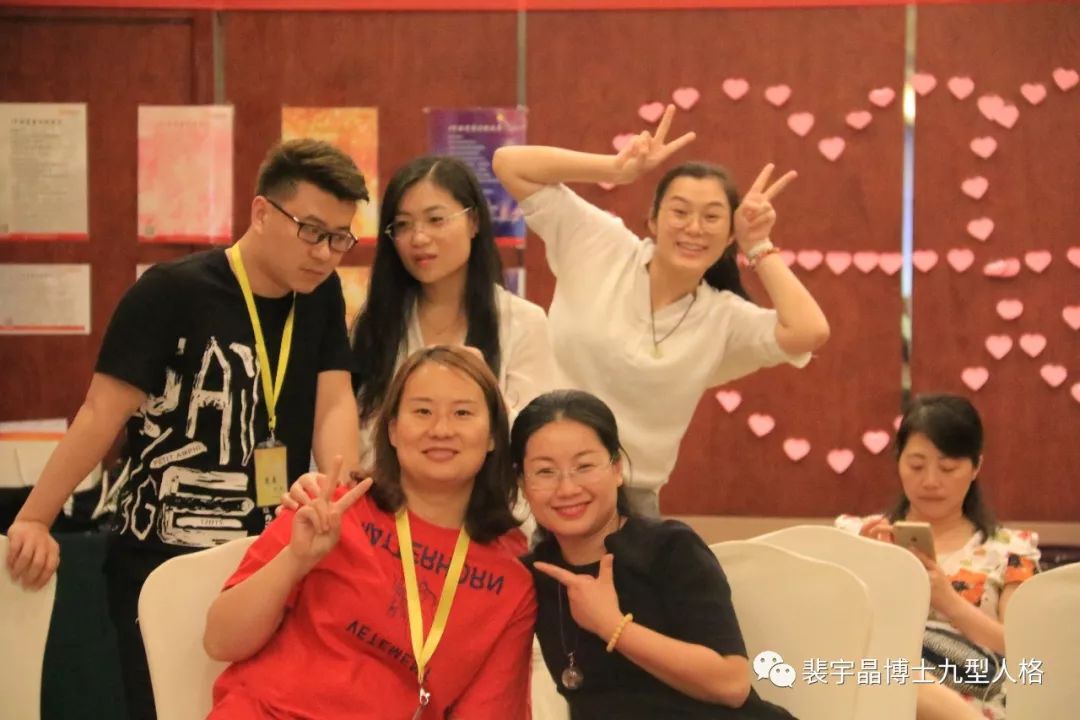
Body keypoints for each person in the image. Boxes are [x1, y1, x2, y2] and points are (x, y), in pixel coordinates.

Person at [5, 138, 368, 719]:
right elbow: (101, 412)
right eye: (311, 231)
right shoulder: (171, 291)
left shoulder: (319, 296)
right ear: (261, 212)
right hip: (161, 559)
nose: (325, 254)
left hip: (265, 561)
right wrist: (35, 517)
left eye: (340, 238)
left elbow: (334, 402)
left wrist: (337, 492)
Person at [492, 105, 829, 516]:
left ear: (729, 237)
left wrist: (758, 243)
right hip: (535, 481)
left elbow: (809, 331)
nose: (694, 228)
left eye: (712, 217)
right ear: (652, 220)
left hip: (630, 503)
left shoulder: (723, 318)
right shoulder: (602, 244)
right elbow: (509, 164)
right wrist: (615, 169)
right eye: (680, 212)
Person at [205, 346, 535, 719]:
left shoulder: (512, 575)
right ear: (392, 429)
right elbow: (220, 641)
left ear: (493, 435)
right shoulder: (329, 508)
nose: (441, 430)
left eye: (462, 413)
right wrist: (295, 560)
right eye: (422, 411)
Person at [515, 389, 798, 719]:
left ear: (617, 468)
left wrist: (612, 626)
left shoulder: (669, 548)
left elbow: (731, 683)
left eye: (585, 466)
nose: (567, 488)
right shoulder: (531, 576)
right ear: (522, 484)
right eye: (545, 471)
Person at [836, 394, 1040, 720]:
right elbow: (828, 624)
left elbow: (1021, 644)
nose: (930, 481)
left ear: (976, 467)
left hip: (970, 689)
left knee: (894, 669)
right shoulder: (858, 535)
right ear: (898, 461)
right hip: (872, 688)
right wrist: (863, 567)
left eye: (948, 468)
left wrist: (948, 601)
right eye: (916, 466)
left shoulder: (1011, 550)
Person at [351, 154, 557, 473]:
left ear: (473, 221)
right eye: (403, 225)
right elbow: (361, 434)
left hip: (491, 500)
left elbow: (535, 440)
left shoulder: (522, 322)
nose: (419, 238)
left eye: (436, 219)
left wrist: (482, 389)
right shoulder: (376, 323)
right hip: (391, 499)